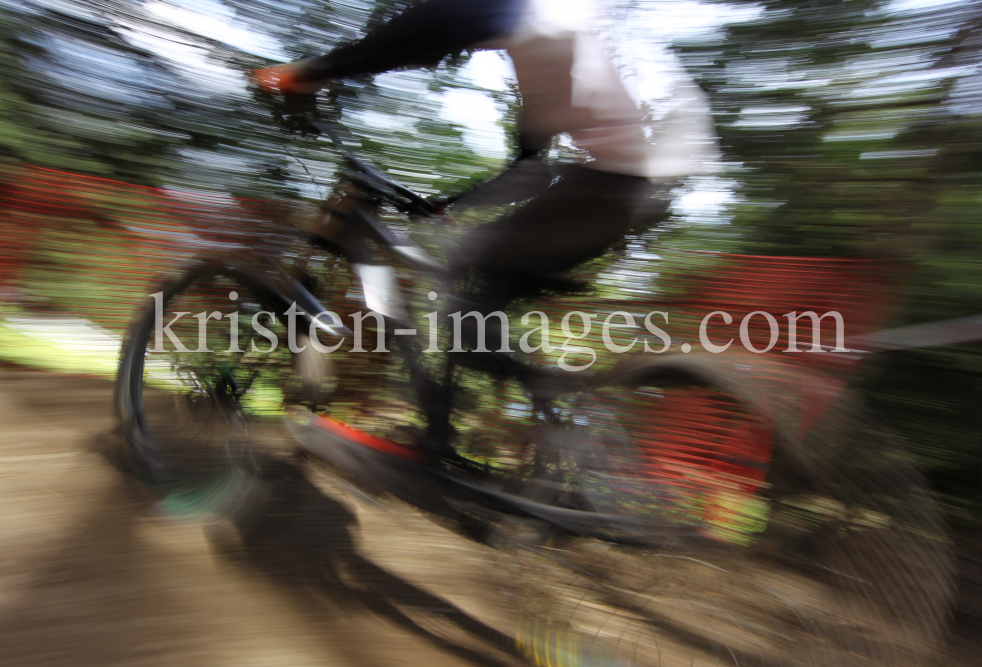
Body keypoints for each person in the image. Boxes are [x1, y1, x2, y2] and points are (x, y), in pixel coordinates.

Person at [253, 0, 719, 462]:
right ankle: (484, 426)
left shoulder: (524, 12)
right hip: (630, 191)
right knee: (473, 304)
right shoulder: (549, 50)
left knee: (464, 268)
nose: (456, 55)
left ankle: (471, 433)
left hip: (614, 185)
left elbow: (426, 26)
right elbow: (530, 168)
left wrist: (311, 71)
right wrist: (450, 204)